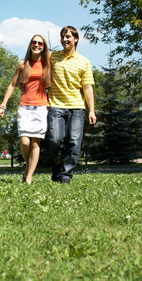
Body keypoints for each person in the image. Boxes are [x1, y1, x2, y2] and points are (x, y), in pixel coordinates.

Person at [0, 35, 51, 184]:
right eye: (34, 42)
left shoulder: (47, 64)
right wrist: (3, 104)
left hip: (40, 106)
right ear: (30, 45)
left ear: (43, 46)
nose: (37, 45)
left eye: (40, 43)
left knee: (35, 143)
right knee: (25, 142)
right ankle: (28, 168)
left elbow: (50, 84)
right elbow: (12, 84)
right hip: (25, 106)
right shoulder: (22, 64)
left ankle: (29, 177)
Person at [47, 26, 97, 184]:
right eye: (62, 37)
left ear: (76, 39)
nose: (64, 39)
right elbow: (35, 62)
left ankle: (65, 175)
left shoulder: (84, 62)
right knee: (55, 139)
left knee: (74, 141)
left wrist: (92, 111)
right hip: (55, 105)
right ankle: (57, 166)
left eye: (68, 37)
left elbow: (87, 87)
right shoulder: (52, 56)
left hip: (77, 107)